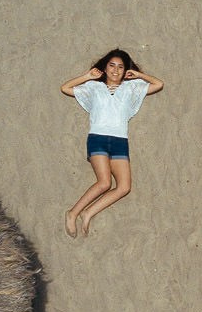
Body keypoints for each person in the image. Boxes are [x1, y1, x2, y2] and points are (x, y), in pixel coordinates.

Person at [61, 49, 164, 237]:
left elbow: (158, 84)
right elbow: (65, 88)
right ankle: (72, 213)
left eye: (120, 67)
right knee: (104, 183)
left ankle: (88, 212)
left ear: (126, 71)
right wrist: (87, 76)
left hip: (120, 141)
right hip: (98, 139)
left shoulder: (132, 88)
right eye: (112, 65)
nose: (115, 70)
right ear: (105, 67)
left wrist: (139, 75)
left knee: (124, 187)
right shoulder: (93, 88)